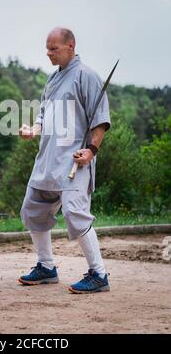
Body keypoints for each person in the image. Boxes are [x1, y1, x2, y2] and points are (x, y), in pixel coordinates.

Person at [18, 27, 111, 294]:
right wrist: (33, 130)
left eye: (53, 48)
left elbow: (101, 120)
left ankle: (99, 274)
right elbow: (44, 113)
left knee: (75, 214)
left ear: (71, 46)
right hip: (47, 160)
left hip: (74, 160)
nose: (48, 53)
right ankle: (46, 267)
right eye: (47, 48)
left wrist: (91, 150)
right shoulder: (52, 79)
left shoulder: (87, 76)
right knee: (32, 210)